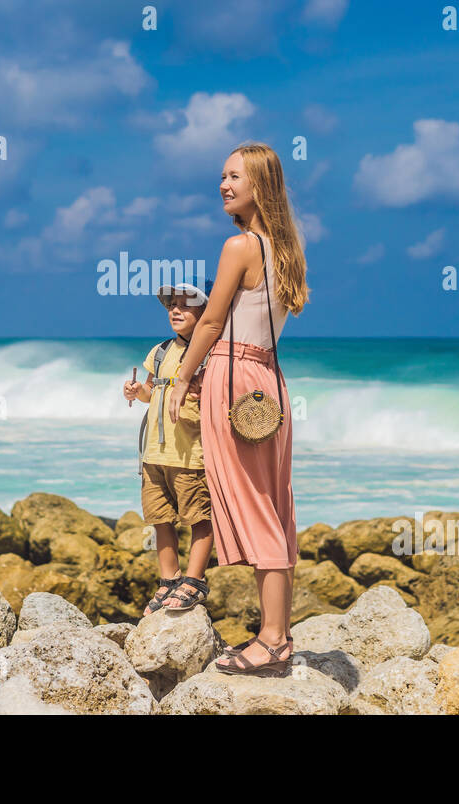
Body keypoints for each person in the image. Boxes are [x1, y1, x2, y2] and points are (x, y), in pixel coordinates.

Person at [166, 141, 308, 676]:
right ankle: (279, 633)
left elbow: (208, 322)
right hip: (268, 381)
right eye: (222, 176)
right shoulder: (286, 248)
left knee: (253, 507)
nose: (223, 185)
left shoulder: (239, 246)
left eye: (233, 177)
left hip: (232, 378)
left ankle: (272, 641)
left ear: (259, 186)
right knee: (273, 505)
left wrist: (183, 378)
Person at [123, 280, 215, 615]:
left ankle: (194, 580)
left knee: (199, 518)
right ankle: (168, 580)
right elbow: (151, 392)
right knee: (160, 519)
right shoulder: (160, 351)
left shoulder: (211, 352)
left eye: (185, 304)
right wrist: (137, 391)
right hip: (154, 453)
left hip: (191, 453)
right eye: (171, 304)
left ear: (206, 311)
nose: (175, 309)